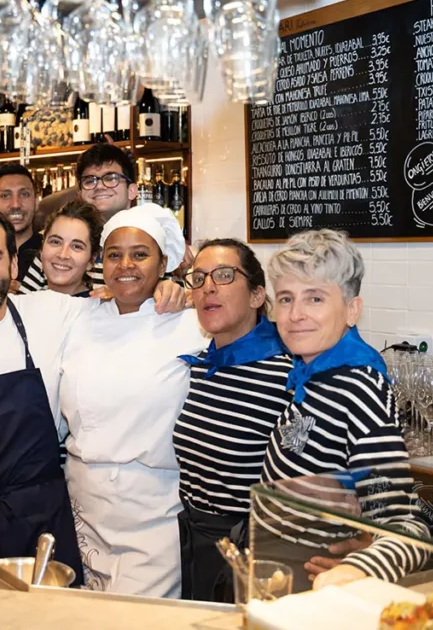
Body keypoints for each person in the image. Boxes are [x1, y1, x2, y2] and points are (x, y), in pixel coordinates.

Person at [0, 208, 186, 581]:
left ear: (14, 264)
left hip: (47, 520)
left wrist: (170, 289)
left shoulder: (56, 312)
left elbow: (128, 301)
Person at [252, 228, 428, 592]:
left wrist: (357, 569)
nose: (295, 314)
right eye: (285, 299)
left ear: (352, 310)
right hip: (276, 565)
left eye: (314, 298)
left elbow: (405, 526)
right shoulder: (311, 370)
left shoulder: (359, 387)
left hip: (312, 580)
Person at [58, 203, 207, 598]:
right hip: (83, 506)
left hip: (154, 511)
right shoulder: (78, 318)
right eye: (114, 254)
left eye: (140, 254)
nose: (126, 264)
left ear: (164, 265)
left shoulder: (192, 325)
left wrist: (189, 294)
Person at [173, 240, 292, 603]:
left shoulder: (285, 373)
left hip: (250, 549)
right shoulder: (201, 366)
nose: (208, 286)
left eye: (225, 276)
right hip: (196, 542)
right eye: (198, 278)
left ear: (257, 295)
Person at [20, 143, 192, 292]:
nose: (100, 186)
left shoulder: (154, 243)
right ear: (80, 193)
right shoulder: (60, 247)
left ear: (132, 190)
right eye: (90, 180)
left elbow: (174, 301)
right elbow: (24, 306)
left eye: (111, 178)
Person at [0, 163, 40, 283]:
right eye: (5, 196)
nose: (15, 204)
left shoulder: (54, 254)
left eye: (24, 194)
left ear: (36, 202)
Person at [39, 200, 102, 297]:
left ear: (91, 260)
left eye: (77, 246)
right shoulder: (27, 304)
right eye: (55, 242)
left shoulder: (99, 309)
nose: (62, 255)